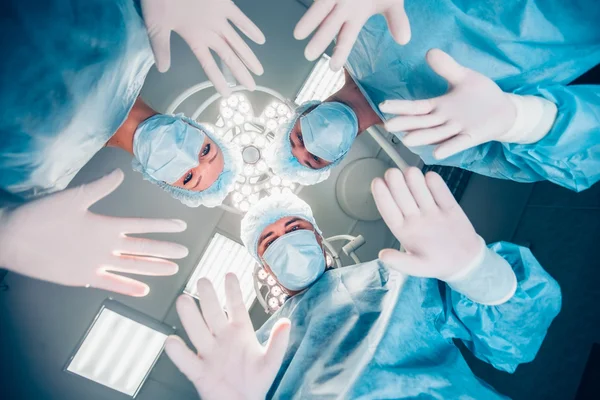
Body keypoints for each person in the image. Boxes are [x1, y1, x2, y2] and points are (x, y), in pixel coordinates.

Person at [164, 167, 562, 399]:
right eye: (269, 241)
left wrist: (478, 272)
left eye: (295, 227)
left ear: (319, 239)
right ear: (263, 267)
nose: (286, 240)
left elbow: (516, 336)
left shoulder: (396, 278)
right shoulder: (256, 349)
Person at [0, 0, 260, 296]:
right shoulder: (144, 35)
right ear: (197, 127)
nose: (187, 158)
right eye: (205, 151)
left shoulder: (42, 178)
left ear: (162, 182)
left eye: (188, 177)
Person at [269, 0, 600, 191]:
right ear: (337, 158)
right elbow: (581, 153)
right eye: (313, 159)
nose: (309, 146)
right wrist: (517, 120)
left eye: (298, 138)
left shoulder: (349, 26)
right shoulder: (430, 140)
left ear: (303, 111)